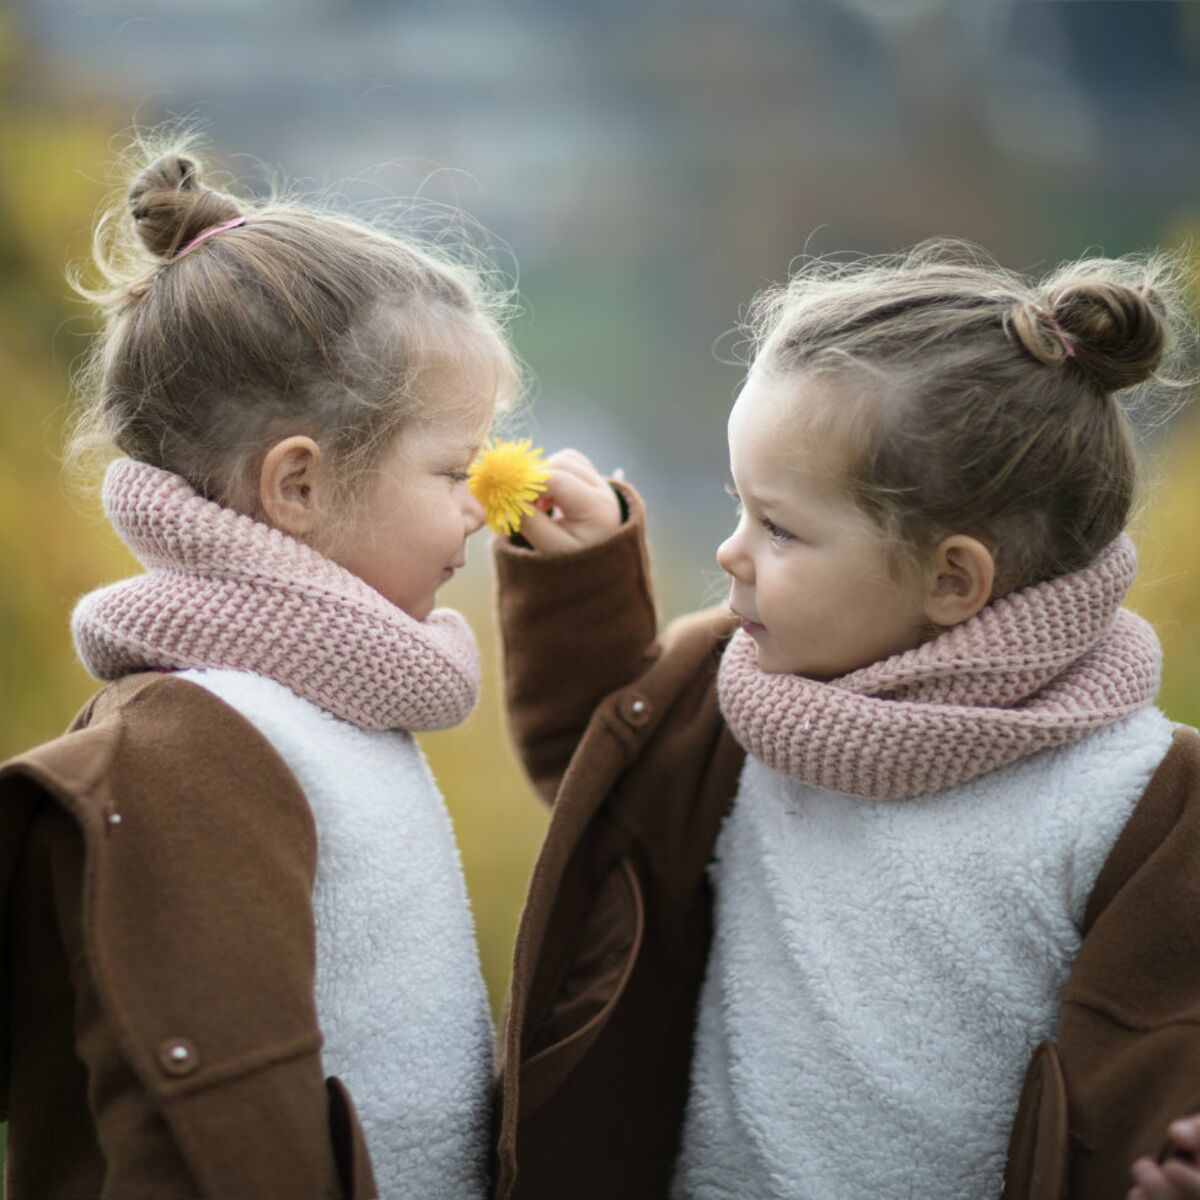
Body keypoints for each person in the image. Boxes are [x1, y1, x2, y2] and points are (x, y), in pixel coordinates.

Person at [489, 241, 1200, 1200]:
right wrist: (581, 585)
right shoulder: (738, 692)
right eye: (741, 509)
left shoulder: (1142, 800)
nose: (732, 553)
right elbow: (601, 795)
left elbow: (1158, 1054)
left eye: (779, 527)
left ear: (952, 580)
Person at [0, 139, 517, 1198]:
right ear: (298, 487)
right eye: (452, 470)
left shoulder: (325, 712)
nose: (479, 506)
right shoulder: (197, 748)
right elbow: (193, 1143)